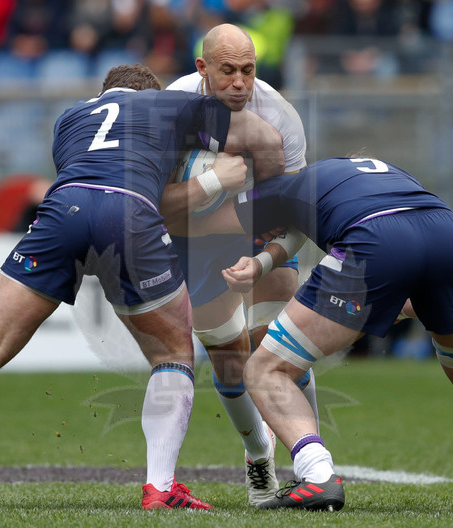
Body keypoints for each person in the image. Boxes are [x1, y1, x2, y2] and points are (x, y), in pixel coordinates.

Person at [0, 63, 285, 511]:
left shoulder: (70, 116)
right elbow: (260, 138)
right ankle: (160, 487)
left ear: (105, 93)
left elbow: (94, 179)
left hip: (64, 206)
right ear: (151, 92)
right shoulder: (170, 104)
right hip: (129, 213)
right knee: (172, 354)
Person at [173, 156, 453, 513]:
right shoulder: (381, 171)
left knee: (264, 369)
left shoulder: (282, 187)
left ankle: (317, 475)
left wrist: (195, 189)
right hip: (444, 230)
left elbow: (208, 222)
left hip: (375, 239)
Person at [164, 23, 315, 506]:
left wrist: (265, 253)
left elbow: (298, 215)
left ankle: (313, 461)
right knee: (230, 362)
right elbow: (156, 203)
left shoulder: (281, 117)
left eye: (247, 71)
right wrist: (210, 189)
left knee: (288, 343)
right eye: (226, 71)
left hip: (259, 231)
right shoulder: (172, 105)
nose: (239, 83)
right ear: (202, 68)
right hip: (193, 238)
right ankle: (258, 458)